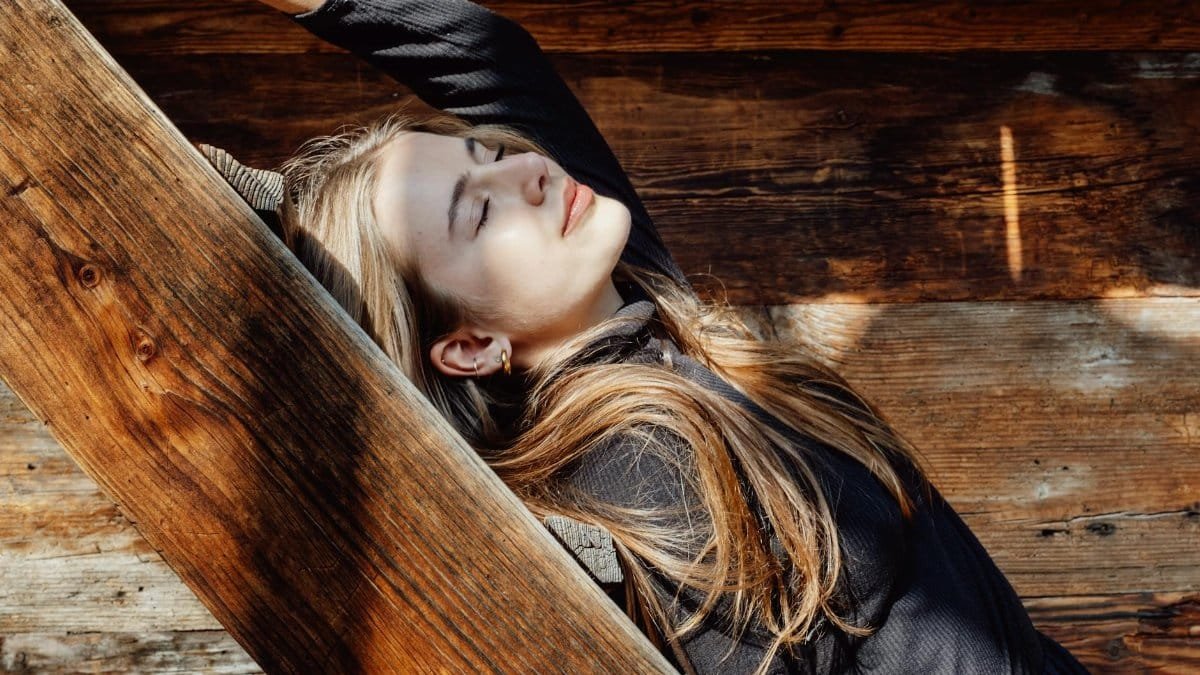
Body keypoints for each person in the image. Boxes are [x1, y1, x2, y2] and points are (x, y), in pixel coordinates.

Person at [244, 1, 1091, 673]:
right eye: (482, 209)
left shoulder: (636, 311)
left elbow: (489, 61)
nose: (528, 169)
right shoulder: (640, 491)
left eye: (482, 151)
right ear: (469, 348)